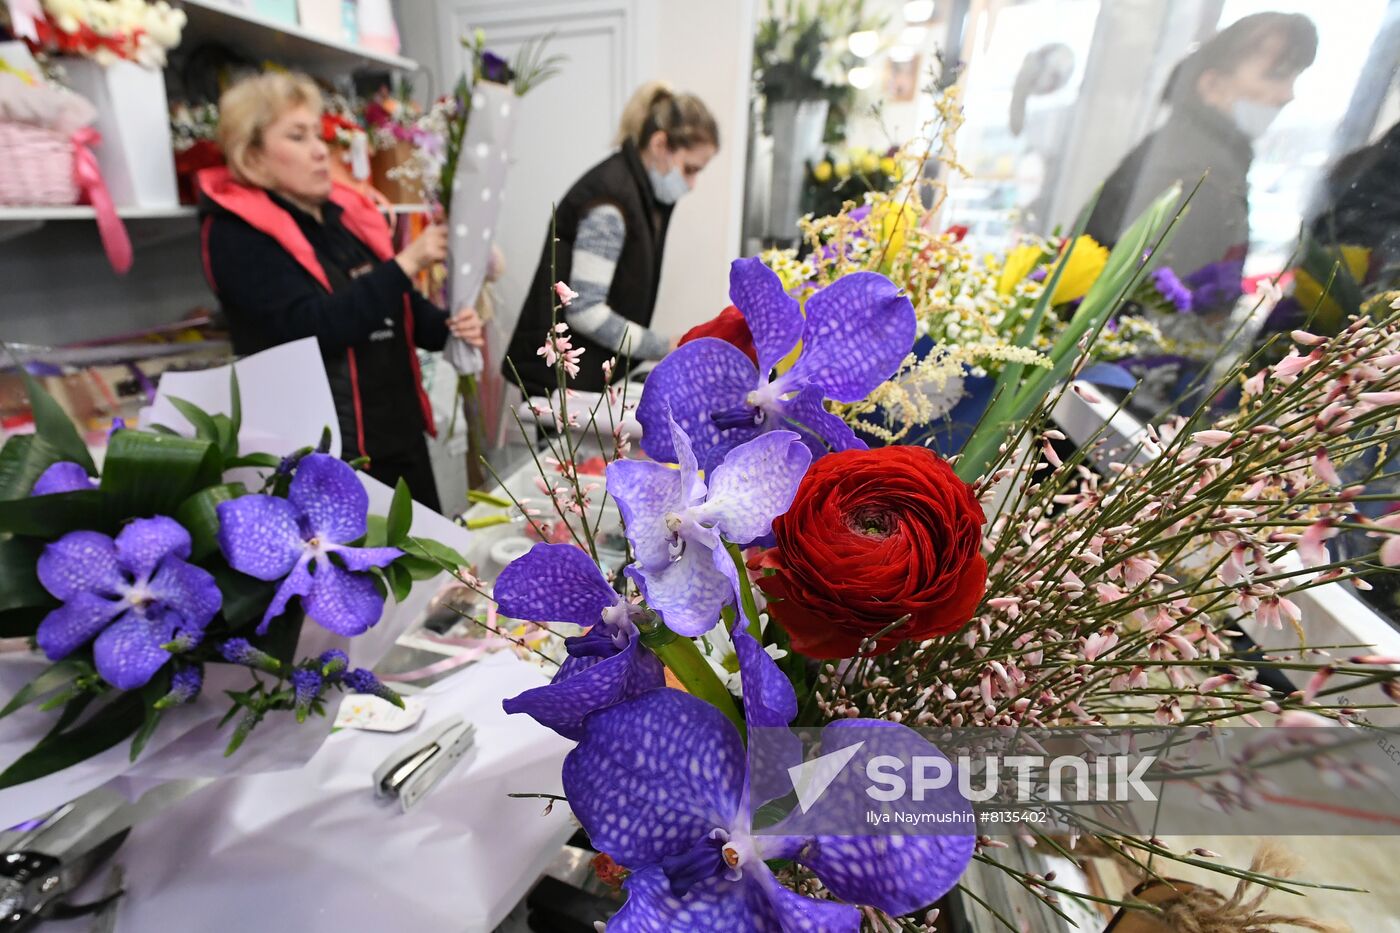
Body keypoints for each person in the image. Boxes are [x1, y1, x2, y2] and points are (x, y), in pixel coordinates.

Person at [198, 72, 483, 513]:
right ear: (251, 154)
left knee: (433, 574)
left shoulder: (343, 217)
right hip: (328, 458)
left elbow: (400, 312)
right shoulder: (235, 235)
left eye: (318, 134)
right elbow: (310, 327)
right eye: (297, 136)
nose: (319, 151)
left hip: (399, 436)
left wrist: (450, 327)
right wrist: (407, 264)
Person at [505, 82, 719, 398]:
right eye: (689, 169)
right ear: (661, 145)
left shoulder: (641, 195)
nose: (692, 183)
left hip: (588, 378)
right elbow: (585, 309)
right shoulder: (612, 200)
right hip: (562, 386)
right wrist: (664, 345)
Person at [1086, 12, 1318, 288]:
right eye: (1276, 76)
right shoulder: (1198, 172)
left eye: (1293, 77)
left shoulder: (1195, 153)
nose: (1287, 95)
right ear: (1212, 85)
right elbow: (1163, 304)